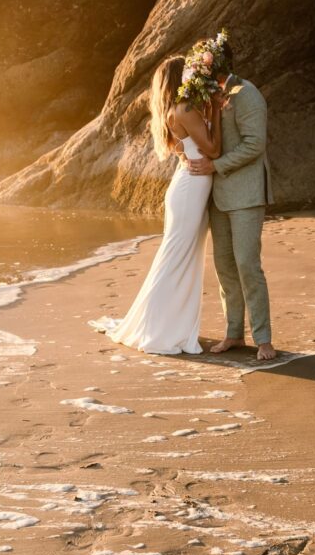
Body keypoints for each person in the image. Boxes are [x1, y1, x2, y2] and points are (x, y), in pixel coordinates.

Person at [89, 53, 222, 354]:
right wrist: (214, 110)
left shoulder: (176, 110)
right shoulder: (185, 109)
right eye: (188, 73)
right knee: (178, 257)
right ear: (180, 79)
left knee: (181, 256)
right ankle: (160, 328)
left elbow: (187, 149)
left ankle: (168, 324)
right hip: (191, 188)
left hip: (188, 185)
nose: (194, 77)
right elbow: (213, 148)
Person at [187, 40, 276, 361]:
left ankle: (264, 338)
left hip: (246, 194)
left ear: (215, 67)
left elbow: (255, 144)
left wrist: (215, 165)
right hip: (217, 195)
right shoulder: (211, 96)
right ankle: (234, 333)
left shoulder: (247, 94)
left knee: (248, 265)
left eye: (202, 65)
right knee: (224, 267)